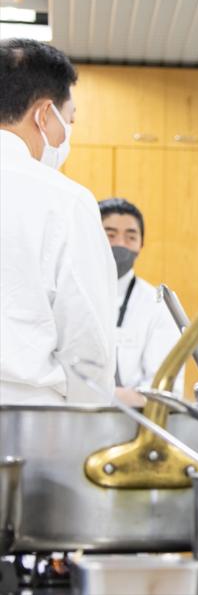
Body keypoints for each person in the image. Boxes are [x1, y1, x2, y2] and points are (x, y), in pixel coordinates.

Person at [0, 38, 117, 403]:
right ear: (43, 114)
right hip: (25, 428)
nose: (66, 135)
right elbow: (88, 346)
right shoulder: (63, 200)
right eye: (68, 121)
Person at [99, 197, 184, 392]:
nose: (120, 244)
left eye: (131, 237)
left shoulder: (158, 304)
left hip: (133, 419)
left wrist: (112, 398)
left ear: (141, 244)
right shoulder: (68, 296)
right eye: (110, 235)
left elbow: (163, 388)